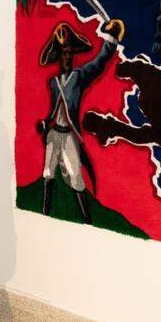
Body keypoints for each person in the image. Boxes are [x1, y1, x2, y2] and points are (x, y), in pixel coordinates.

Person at [35, 19, 124, 221]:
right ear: (58, 57)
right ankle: (43, 215)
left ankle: (87, 220)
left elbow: (99, 62)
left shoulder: (79, 76)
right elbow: (54, 110)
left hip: (69, 137)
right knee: (48, 174)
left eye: (69, 53)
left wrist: (111, 39)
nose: (67, 57)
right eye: (63, 53)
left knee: (76, 179)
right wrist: (45, 122)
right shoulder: (53, 83)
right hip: (53, 134)